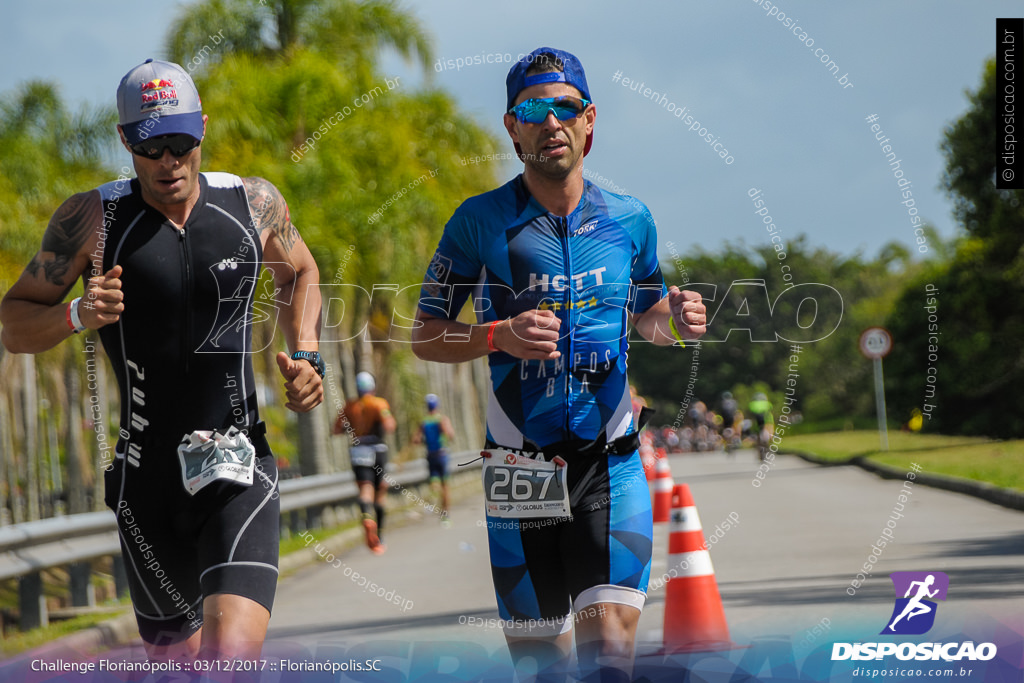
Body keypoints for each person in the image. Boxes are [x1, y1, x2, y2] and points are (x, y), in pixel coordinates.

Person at [0, 59, 325, 662]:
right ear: (126, 140)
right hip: (145, 486)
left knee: (230, 662)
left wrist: (307, 355)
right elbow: (15, 322)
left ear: (202, 128)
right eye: (153, 147)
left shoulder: (252, 203)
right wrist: (78, 315)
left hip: (238, 471)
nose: (170, 161)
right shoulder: (91, 220)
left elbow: (301, 271)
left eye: (181, 142)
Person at [411, 47, 706, 682]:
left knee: (611, 656)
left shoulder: (630, 218)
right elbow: (425, 335)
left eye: (565, 108)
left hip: (611, 460)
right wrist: (498, 336)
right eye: (533, 110)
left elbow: (649, 316)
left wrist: (676, 322)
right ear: (512, 127)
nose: (551, 123)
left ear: (589, 120)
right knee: (543, 666)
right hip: (521, 468)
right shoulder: (478, 222)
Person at [334, 371, 395, 553]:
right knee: (380, 491)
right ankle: (380, 537)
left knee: (365, 490)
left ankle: (367, 518)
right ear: (373, 387)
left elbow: (336, 429)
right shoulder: (379, 404)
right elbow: (389, 425)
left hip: (358, 450)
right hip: (377, 450)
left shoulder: (349, 406)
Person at [412, 393, 456, 523]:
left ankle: (432, 503)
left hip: (430, 456)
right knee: (445, 486)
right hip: (442, 455)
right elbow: (450, 435)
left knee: (435, 483)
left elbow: (415, 440)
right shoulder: (441, 419)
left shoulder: (424, 422)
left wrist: (425, 440)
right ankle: (445, 514)